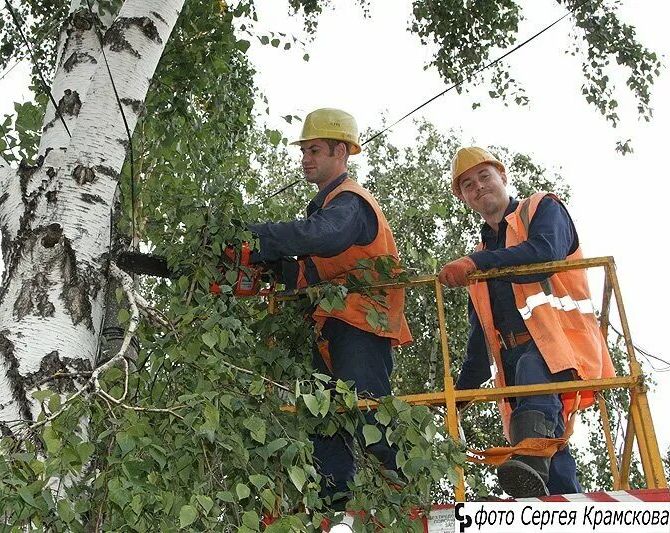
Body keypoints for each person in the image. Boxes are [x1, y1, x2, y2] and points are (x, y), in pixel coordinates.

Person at [247, 108, 413, 508]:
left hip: (362, 324)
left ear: (341, 151)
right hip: (332, 325)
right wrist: (261, 267)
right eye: (304, 150)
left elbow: (322, 237)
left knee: (368, 412)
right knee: (325, 418)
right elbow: (308, 271)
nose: (305, 158)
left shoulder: (350, 203)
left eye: (315, 150)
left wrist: (255, 235)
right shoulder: (325, 207)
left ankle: (409, 491)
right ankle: (334, 503)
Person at [438, 146, 615, 498]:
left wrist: (478, 262)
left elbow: (546, 253)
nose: (479, 187)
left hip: (561, 343)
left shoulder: (540, 208)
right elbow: (481, 336)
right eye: (468, 185)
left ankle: (528, 467)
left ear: (503, 176)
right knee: (552, 448)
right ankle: (560, 502)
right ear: (464, 198)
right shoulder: (483, 255)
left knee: (535, 379)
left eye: (485, 176)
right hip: (516, 363)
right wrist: (457, 395)